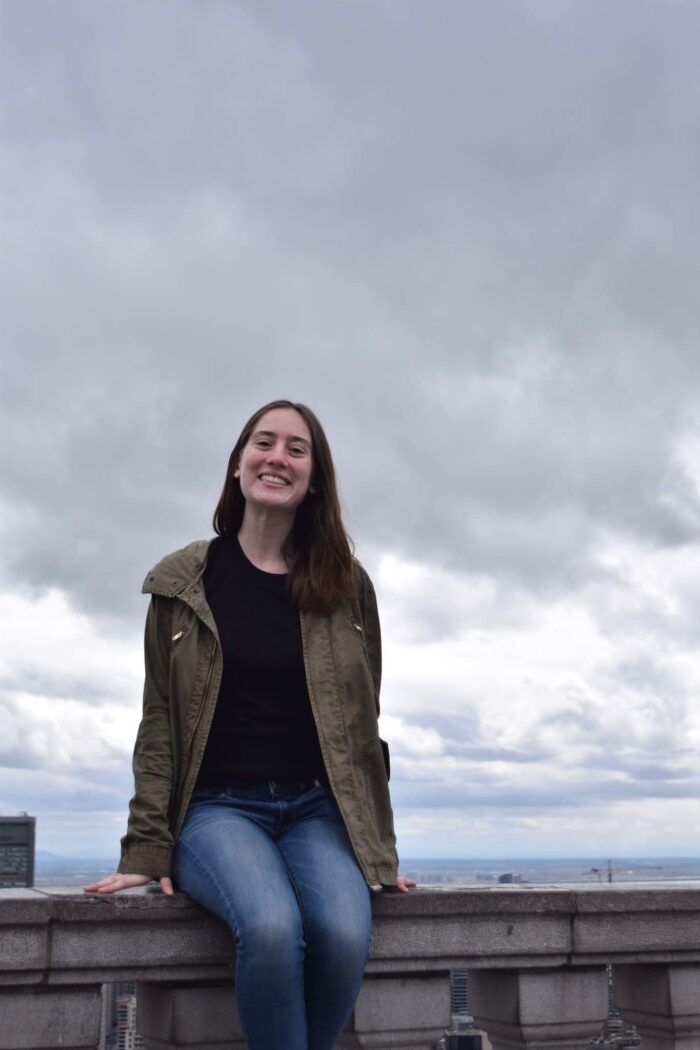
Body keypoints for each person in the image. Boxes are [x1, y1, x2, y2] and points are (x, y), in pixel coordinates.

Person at [85, 399, 415, 1050]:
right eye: (264, 443)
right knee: (268, 928)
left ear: (314, 479)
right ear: (239, 465)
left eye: (298, 449)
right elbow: (159, 724)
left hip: (316, 811)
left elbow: (361, 726)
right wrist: (145, 851)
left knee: (345, 934)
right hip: (217, 809)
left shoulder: (347, 587)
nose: (278, 458)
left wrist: (376, 849)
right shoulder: (184, 582)